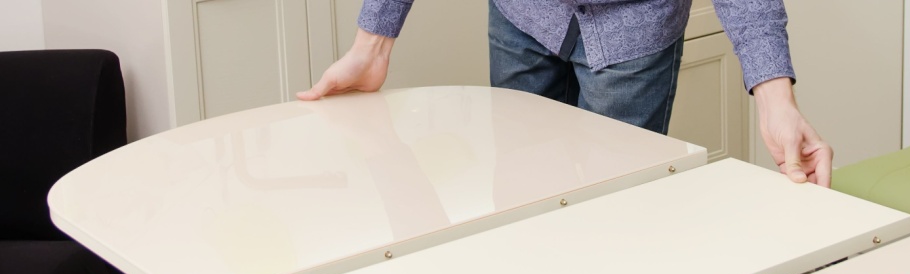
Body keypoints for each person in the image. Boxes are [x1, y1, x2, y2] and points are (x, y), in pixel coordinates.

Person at [297, 0, 833, 187]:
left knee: (614, 212)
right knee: (520, 200)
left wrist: (774, 97)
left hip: (634, 26)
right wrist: (374, 42)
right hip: (522, 16)